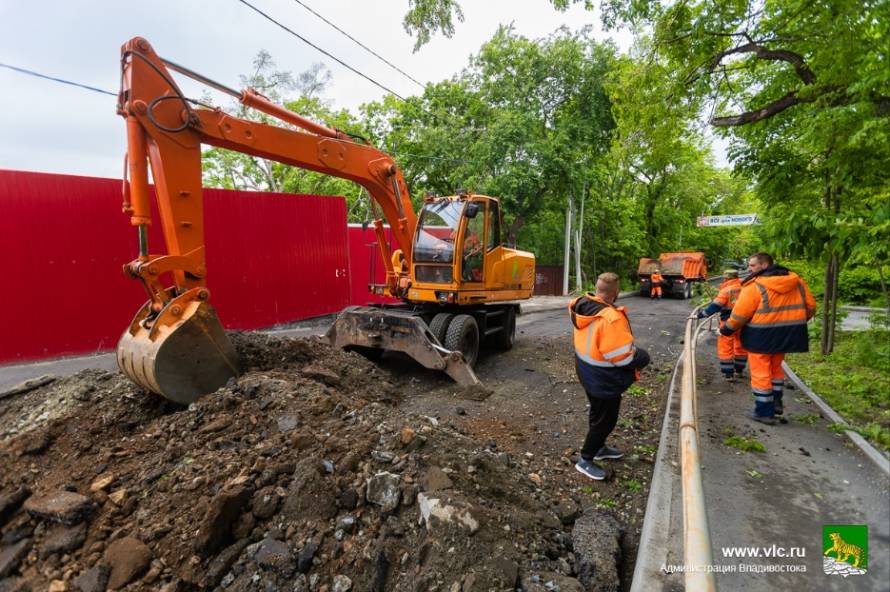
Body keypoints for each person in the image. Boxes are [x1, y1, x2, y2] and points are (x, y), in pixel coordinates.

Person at [569, 272, 651, 480]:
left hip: (586, 372)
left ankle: (599, 448)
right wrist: (643, 356)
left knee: (598, 414)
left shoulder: (583, 305)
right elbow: (623, 358)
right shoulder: (611, 318)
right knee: (606, 420)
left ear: (597, 289)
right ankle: (586, 459)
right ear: (616, 293)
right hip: (603, 378)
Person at [721, 253, 816, 425]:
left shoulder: (754, 286)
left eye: (752, 266)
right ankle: (776, 402)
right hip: (788, 334)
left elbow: (740, 315)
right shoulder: (797, 282)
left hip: (760, 335)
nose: (749, 269)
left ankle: (764, 411)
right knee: (776, 369)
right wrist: (794, 323)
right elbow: (810, 307)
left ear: (764, 265)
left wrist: (727, 329)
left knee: (760, 372)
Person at [697, 269, 748, 382]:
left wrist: (700, 315)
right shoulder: (746, 287)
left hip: (727, 322)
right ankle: (739, 370)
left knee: (725, 347)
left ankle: (728, 373)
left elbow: (715, 306)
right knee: (740, 346)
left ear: (726, 278)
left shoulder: (726, 290)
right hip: (744, 322)